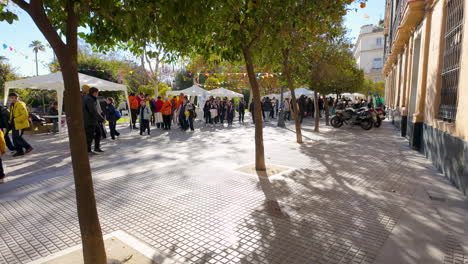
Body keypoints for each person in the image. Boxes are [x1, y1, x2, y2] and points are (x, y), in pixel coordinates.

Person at [8, 92, 33, 157]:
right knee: (14, 138)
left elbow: (25, 115)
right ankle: (19, 151)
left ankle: (28, 147)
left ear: (17, 98)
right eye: (12, 98)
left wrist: (15, 120)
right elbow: (12, 114)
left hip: (20, 124)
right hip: (14, 124)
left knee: (17, 137)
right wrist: (10, 120)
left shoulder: (20, 104)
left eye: (15, 98)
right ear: (10, 98)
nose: (13, 99)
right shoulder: (12, 105)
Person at [83, 87, 104, 154]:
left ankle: (96, 148)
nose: (98, 94)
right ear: (94, 92)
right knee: (90, 136)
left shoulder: (88, 97)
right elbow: (93, 111)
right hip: (89, 121)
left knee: (98, 132)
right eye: (97, 92)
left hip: (92, 120)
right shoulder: (89, 99)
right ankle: (88, 150)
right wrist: (101, 118)